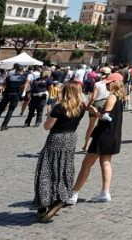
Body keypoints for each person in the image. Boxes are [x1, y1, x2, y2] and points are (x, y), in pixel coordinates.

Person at [34, 82, 87, 222]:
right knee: (64, 167)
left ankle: (45, 201)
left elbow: (47, 126)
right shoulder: (82, 106)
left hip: (57, 137)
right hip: (71, 138)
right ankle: (60, 196)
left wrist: (51, 113)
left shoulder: (59, 107)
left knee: (47, 169)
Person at [67, 77, 125, 204]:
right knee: (105, 162)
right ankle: (105, 192)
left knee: (86, 163)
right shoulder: (120, 97)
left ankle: (74, 193)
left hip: (104, 134)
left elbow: (106, 117)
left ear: (113, 83)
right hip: (113, 133)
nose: (107, 86)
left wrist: (96, 112)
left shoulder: (112, 97)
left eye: (108, 83)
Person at [0, 64, 27, 131]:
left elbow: (5, 84)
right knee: (10, 111)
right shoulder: (23, 78)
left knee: (0, 110)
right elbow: (23, 87)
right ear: (22, 70)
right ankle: (4, 126)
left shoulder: (9, 76)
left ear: (15, 69)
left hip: (7, 93)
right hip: (15, 95)